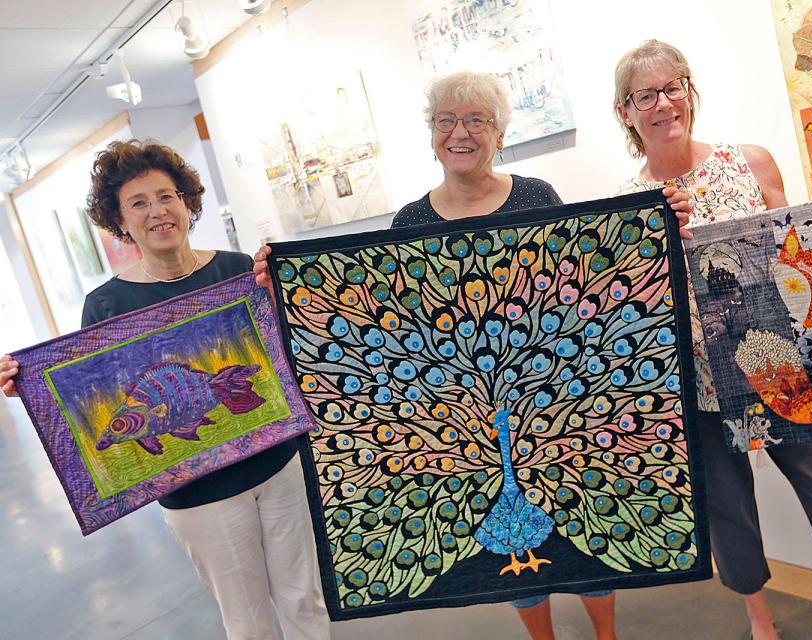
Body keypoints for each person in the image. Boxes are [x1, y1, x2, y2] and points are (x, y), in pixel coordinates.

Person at [255, 70, 689, 640]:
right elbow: (386, 321)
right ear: (431, 133)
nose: (460, 133)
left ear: (499, 133)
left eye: (477, 121)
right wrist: (287, 285)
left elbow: (585, 288)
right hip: (464, 411)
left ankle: (606, 636)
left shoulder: (537, 197)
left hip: (549, 394)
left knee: (579, 534)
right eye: (446, 121)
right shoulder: (411, 222)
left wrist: (659, 229)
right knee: (513, 550)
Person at [612, 40, 812, 640]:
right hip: (693, 384)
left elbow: (800, 252)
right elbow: (631, 306)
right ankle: (760, 622)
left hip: (781, 367)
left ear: (689, 89)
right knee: (730, 516)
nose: (663, 103)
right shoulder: (629, 204)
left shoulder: (749, 163)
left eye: (672, 85)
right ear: (625, 111)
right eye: (644, 95)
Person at [1, 140, 330, 640]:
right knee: (248, 624)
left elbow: (287, 349)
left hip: (278, 464)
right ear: (120, 220)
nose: (157, 212)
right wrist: (31, 388)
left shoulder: (238, 270)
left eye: (166, 195)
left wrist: (285, 289)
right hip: (200, 495)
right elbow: (92, 398)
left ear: (187, 201)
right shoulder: (106, 306)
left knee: (306, 600)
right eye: (139, 203)